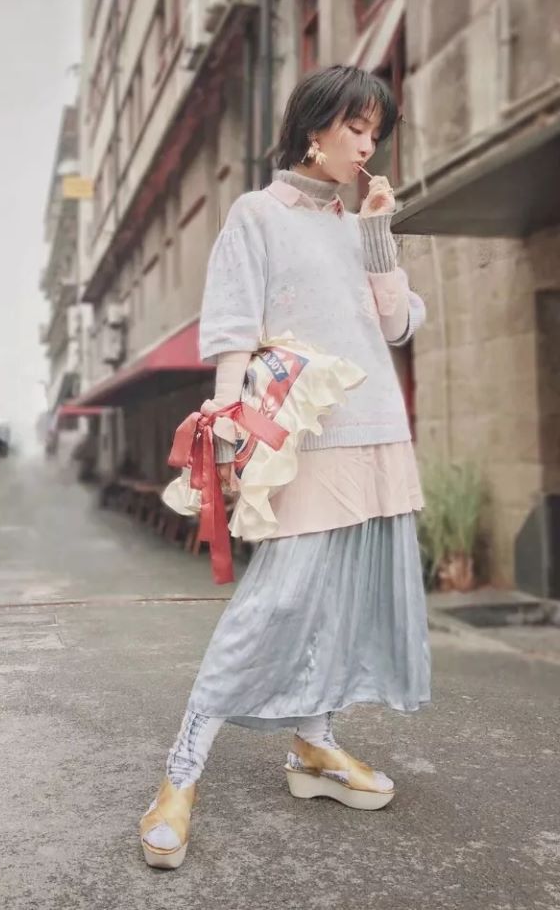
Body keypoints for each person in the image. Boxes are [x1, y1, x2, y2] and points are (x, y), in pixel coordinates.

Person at [139, 65, 431, 870]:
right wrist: (225, 433)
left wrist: (379, 234)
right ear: (314, 127)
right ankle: (180, 774)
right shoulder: (256, 214)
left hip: (378, 431)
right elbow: (234, 329)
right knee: (273, 604)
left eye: (376, 133)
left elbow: (397, 326)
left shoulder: (359, 222)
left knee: (344, 601)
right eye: (356, 128)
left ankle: (314, 743)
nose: (368, 146)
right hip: (303, 439)